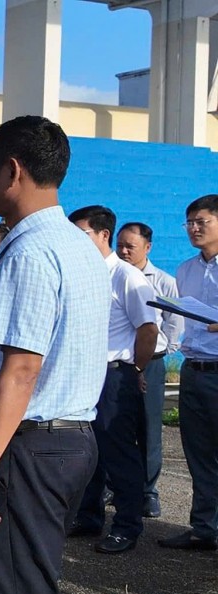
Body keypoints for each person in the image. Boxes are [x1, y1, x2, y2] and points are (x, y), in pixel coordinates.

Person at [0, 116, 109, 594]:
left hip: (28, 447)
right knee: (16, 587)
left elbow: (21, 369)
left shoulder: (27, 253)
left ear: (12, 171)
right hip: (69, 440)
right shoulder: (77, 244)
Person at [67, 205, 158, 555]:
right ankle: (89, 516)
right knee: (89, 453)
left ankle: (127, 525)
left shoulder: (127, 276)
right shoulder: (83, 272)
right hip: (84, 374)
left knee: (120, 455)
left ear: (104, 235)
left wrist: (136, 370)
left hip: (115, 375)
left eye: (82, 234)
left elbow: (148, 329)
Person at [159, 194, 218, 552]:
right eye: (190, 223)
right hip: (193, 370)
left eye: (202, 222)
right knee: (198, 453)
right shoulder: (185, 270)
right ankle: (203, 527)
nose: (194, 229)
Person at [115, 221, 184, 518]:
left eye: (130, 246)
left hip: (152, 363)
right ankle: (112, 484)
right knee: (114, 425)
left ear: (148, 247)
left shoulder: (164, 281)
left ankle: (148, 491)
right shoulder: (113, 276)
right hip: (119, 363)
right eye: (120, 245)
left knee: (149, 428)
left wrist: (158, 355)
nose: (124, 251)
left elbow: (174, 323)